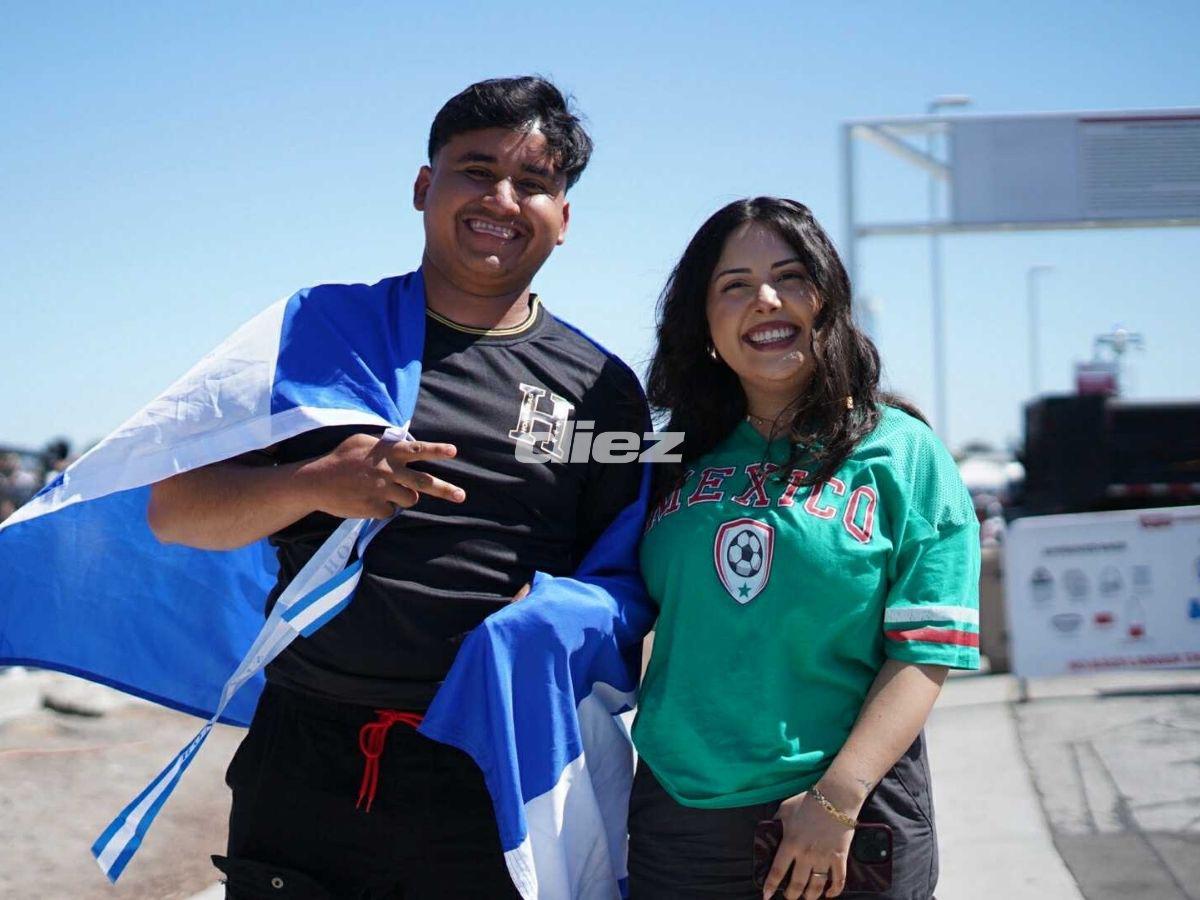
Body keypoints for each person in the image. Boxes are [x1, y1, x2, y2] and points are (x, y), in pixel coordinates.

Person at [146, 76, 647, 899]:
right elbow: (176, 510)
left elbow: (632, 582)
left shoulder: (601, 389)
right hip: (308, 767)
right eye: (476, 170)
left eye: (534, 183)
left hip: (493, 781)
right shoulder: (315, 332)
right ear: (424, 187)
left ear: (565, 218)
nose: (502, 198)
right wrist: (318, 482)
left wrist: (569, 608)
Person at [628, 197, 980, 900]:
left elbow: (927, 648)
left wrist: (836, 800)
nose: (766, 299)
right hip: (682, 817)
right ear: (703, 325)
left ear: (828, 302)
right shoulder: (662, 458)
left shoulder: (902, 452)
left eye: (791, 277)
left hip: (848, 817)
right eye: (734, 285)